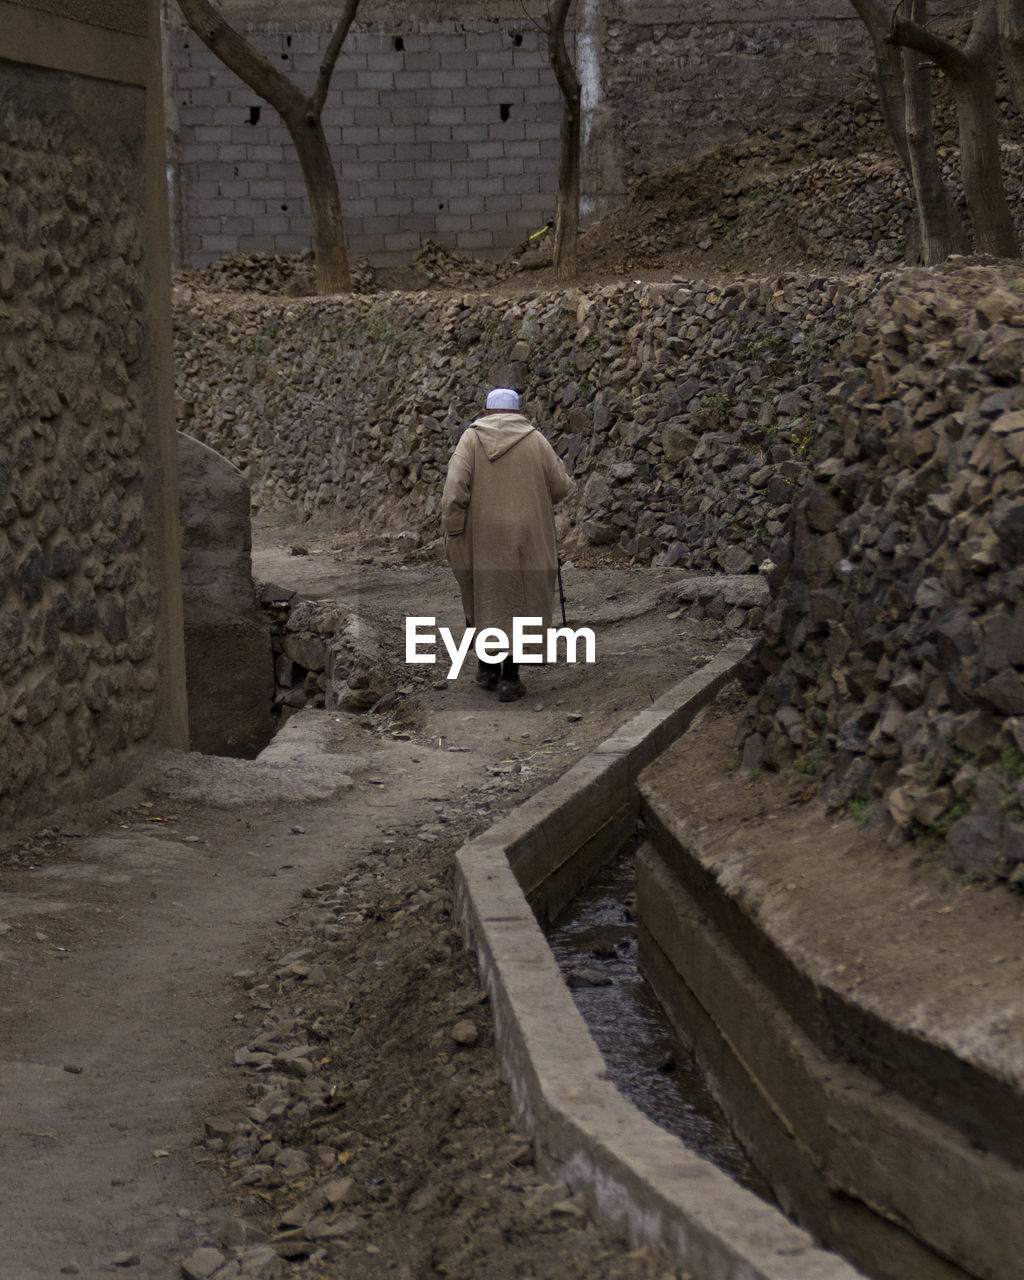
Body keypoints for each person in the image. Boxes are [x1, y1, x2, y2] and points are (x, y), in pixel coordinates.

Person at [441, 388, 574, 702]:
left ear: (486, 411)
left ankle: (487, 669)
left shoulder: (470, 440)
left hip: (482, 536)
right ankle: (510, 678)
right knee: (520, 602)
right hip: (527, 537)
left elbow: (454, 490)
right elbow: (560, 488)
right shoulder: (536, 440)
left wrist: (454, 529)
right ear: (518, 413)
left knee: (486, 596)